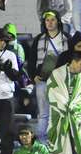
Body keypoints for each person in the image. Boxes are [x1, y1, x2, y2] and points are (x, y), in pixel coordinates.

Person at [28, 11, 70, 143]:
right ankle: (42, 144)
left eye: (52, 20)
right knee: (43, 115)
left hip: (61, 81)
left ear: (58, 21)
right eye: (47, 20)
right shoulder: (39, 38)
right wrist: (33, 76)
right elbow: (31, 59)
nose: (50, 23)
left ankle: (55, 142)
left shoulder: (67, 38)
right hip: (42, 81)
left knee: (57, 113)